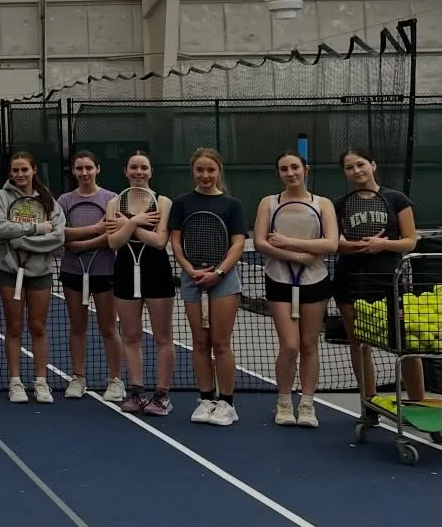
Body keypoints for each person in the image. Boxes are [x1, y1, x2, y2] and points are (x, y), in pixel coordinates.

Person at [332, 146, 422, 411]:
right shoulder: (340, 203)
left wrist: (381, 245)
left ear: (373, 164)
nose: (356, 170)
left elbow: (410, 241)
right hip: (350, 279)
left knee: (404, 341)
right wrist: (357, 245)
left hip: (390, 282)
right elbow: (334, 243)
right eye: (350, 167)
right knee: (358, 343)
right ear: (345, 173)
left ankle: (419, 403)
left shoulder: (397, 199)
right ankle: (368, 402)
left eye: (360, 164)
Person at [255, 151, 339, 428]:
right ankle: (283, 402)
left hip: (316, 281)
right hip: (278, 279)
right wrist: (299, 256)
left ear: (306, 170)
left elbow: (330, 245)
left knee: (309, 344)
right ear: (278, 173)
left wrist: (287, 243)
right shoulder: (268, 203)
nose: (290, 173)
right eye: (284, 169)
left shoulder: (322, 204)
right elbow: (261, 243)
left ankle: (307, 404)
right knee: (289, 345)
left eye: (295, 167)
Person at [167, 147, 248, 427]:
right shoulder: (182, 203)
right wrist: (189, 270)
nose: (205, 175)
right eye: (200, 170)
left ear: (219, 171)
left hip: (224, 280)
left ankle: (227, 403)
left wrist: (219, 271)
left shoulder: (232, 204)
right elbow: (175, 241)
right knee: (199, 342)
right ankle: (205, 399)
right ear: (193, 171)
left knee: (220, 343)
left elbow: (238, 243)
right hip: (192, 279)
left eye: (210, 170)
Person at [104, 151, 176, 415]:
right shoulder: (115, 202)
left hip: (157, 272)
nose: (139, 172)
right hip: (125, 270)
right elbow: (113, 242)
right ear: (126, 171)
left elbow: (159, 242)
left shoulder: (163, 202)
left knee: (163, 337)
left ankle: (162, 395)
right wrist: (135, 221)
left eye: (143, 167)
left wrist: (129, 226)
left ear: (150, 171)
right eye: (133, 167)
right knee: (131, 336)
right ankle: (136, 391)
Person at [0, 152, 65, 403]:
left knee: (38, 327)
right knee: (13, 328)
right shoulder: (1, 197)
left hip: (40, 272)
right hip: (10, 271)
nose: (20, 174)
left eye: (24, 169)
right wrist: (34, 229)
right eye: (15, 170)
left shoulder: (48, 200)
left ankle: (41, 382)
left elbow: (57, 237)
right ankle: (15, 382)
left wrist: (20, 240)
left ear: (34, 170)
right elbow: (0, 229)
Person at [58, 151, 123, 401]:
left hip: (104, 271)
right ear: (73, 171)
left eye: (88, 168)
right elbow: (60, 233)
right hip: (73, 271)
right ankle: (78, 378)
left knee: (108, 327)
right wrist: (94, 230)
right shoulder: (64, 200)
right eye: (79, 168)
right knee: (77, 327)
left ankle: (115, 380)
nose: (84, 173)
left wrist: (85, 244)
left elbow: (113, 234)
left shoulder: (112, 199)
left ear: (98, 169)